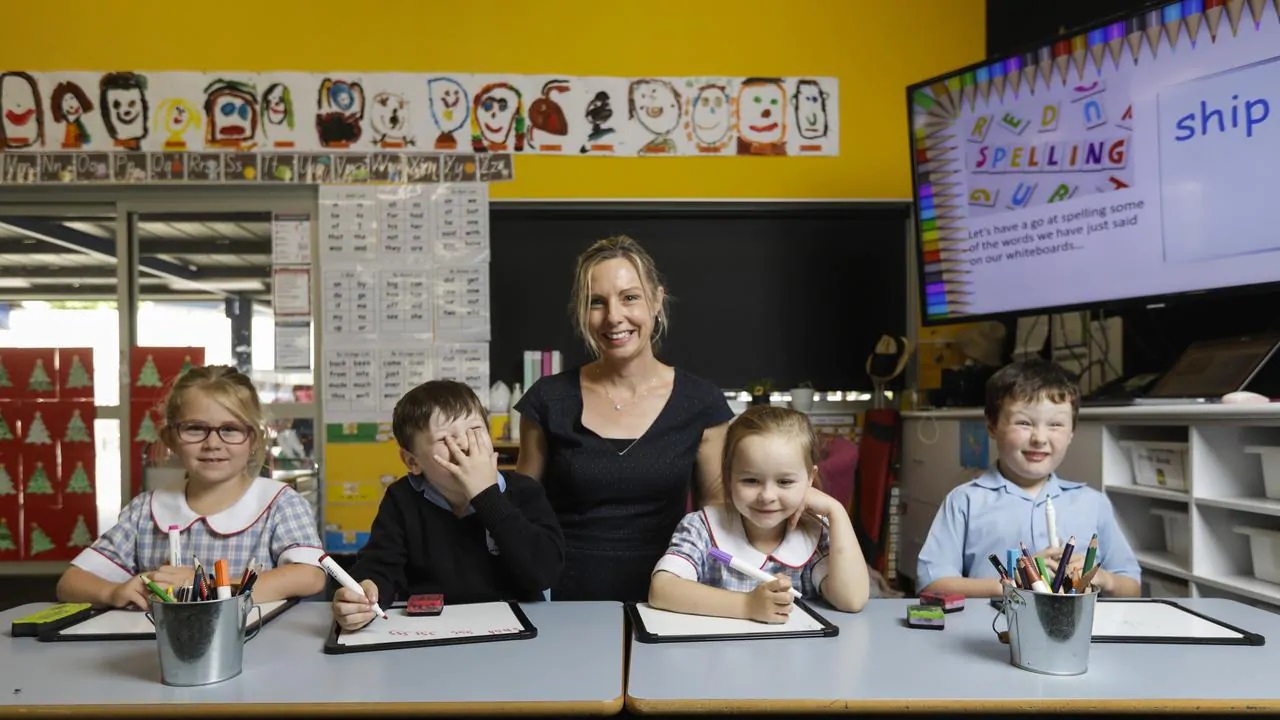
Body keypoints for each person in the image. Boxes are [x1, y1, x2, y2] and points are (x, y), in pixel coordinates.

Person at [515, 235, 734, 602]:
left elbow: (714, 518)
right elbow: (522, 511)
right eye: (596, 303)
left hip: (667, 594)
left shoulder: (701, 403)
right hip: (560, 600)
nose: (614, 316)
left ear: (657, 300)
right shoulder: (548, 399)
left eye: (629, 297)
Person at [57, 366, 326, 609]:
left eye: (230, 429)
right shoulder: (145, 512)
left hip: (261, 646)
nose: (212, 443)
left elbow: (309, 576)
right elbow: (70, 583)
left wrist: (206, 586)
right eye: (195, 429)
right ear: (170, 439)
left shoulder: (278, 503)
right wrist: (114, 591)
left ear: (253, 440)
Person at [332, 380, 564, 631]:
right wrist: (365, 593)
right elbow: (381, 566)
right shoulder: (402, 499)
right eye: (444, 439)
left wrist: (487, 496)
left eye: (475, 430)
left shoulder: (523, 491)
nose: (464, 444)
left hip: (517, 634)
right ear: (412, 461)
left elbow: (544, 571)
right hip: (431, 633)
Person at [916, 358, 1141, 598]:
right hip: (988, 630)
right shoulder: (964, 501)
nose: (1039, 438)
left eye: (1055, 424)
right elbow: (932, 584)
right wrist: (1012, 583)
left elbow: (1132, 587)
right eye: (1023, 423)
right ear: (992, 426)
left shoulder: (1093, 504)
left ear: (1072, 432)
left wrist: (1103, 578)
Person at [648, 406, 870, 621]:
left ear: (809, 479)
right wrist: (747, 606)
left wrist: (836, 511)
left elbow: (851, 600)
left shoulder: (812, 532)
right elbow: (661, 590)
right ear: (728, 477)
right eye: (751, 480)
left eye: (784, 481)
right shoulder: (702, 528)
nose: (767, 496)